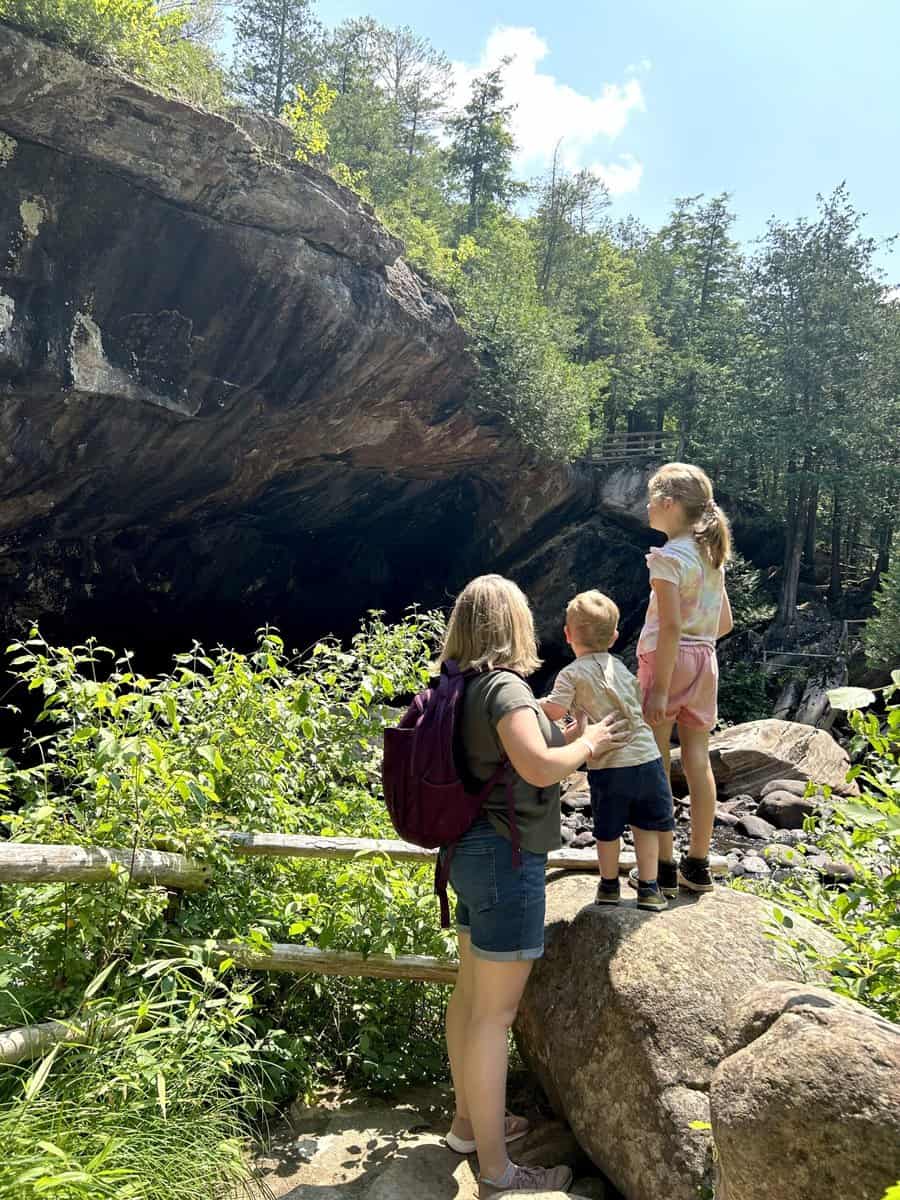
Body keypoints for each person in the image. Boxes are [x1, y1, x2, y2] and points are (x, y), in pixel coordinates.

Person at [440, 574, 629, 1199]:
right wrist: (590, 743)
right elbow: (536, 766)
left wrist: (564, 737)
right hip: (506, 858)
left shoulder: (459, 683)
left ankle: (468, 1127)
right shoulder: (505, 687)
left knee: (470, 999)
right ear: (511, 624)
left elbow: (502, 760)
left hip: (466, 853)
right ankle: (497, 1173)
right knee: (495, 1018)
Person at [539, 589, 675, 912]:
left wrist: (531, 703)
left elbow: (556, 710)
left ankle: (609, 885)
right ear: (614, 636)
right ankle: (650, 888)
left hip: (610, 765)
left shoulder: (571, 673)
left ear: (568, 635)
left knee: (608, 829)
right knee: (646, 826)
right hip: (647, 758)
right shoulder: (622, 669)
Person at [636, 462, 734, 896]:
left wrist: (659, 687)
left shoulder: (667, 558)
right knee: (697, 760)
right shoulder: (711, 555)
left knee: (656, 760)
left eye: (651, 499)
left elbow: (670, 627)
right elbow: (725, 622)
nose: (647, 507)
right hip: (705, 660)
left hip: (667, 661)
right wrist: (699, 646)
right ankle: (697, 864)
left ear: (669, 504)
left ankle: (660, 862)